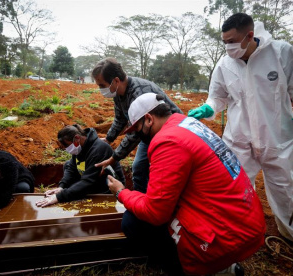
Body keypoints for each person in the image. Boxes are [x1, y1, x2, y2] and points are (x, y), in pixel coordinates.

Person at [187, 13, 293, 255]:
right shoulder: (224, 64)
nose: (228, 47)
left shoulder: (281, 53)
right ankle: (238, 233)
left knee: (285, 189)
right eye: (224, 41)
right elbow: (218, 96)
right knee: (234, 188)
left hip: (277, 137)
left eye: (232, 41)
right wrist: (209, 107)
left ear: (250, 35)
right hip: (239, 138)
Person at [107, 93, 266, 275]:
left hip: (228, 236)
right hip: (245, 220)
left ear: (149, 119)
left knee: (133, 221)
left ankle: (189, 267)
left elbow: (155, 212)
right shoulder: (187, 124)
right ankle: (223, 267)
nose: (137, 135)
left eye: (137, 129)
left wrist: (121, 192)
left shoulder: (167, 141)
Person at [91, 57, 182, 194]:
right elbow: (120, 119)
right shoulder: (118, 93)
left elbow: (134, 134)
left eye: (102, 85)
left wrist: (114, 158)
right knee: (139, 167)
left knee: (162, 171)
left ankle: (153, 203)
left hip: (171, 133)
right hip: (148, 132)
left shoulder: (140, 92)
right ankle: (141, 201)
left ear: (116, 81)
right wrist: (109, 139)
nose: (101, 90)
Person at [36, 124, 125, 207]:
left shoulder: (99, 150)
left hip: (106, 189)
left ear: (77, 138)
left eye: (67, 145)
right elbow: (71, 167)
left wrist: (58, 197)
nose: (67, 149)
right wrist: (62, 187)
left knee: (82, 187)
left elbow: (88, 181)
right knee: (67, 164)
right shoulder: (80, 147)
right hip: (92, 182)